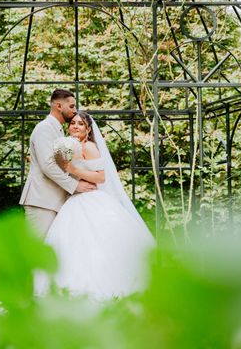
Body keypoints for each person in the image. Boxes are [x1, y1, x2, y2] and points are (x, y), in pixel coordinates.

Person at [35, 111, 155, 300]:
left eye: (80, 124)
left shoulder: (89, 147)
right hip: (73, 199)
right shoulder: (66, 146)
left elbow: (100, 176)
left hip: (90, 198)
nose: (75, 126)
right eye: (73, 123)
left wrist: (74, 169)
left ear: (88, 129)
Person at [19, 89, 97, 238]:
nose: (74, 111)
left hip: (55, 201)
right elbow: (47, 165)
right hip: (42, 201)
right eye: (72, 106)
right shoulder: (44, 128)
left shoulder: (59, 130)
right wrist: (75, 186)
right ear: (59, 106)